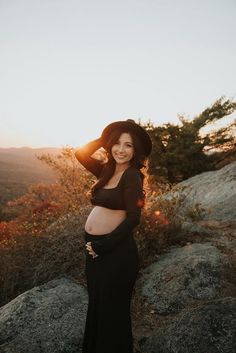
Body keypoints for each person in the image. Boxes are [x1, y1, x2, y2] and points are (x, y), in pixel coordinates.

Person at [74, 119, 152, 353]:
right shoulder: (106, 170)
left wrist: (104, 245)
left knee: (112, 315)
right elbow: (81, 153)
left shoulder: (132, 176)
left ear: (135, 150)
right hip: (96, 252)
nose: (121, 149)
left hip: (116, 255)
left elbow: (133, 218)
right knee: (98, 308)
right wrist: (104, 137)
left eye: (128, 145)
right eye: (116, 144)